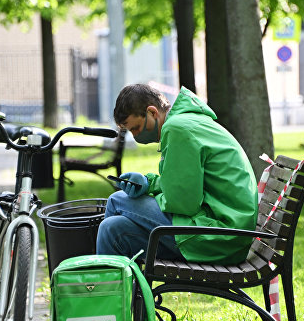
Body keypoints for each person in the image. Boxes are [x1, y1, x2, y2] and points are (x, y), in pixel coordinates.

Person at [96, 84, 258, 265]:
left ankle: (103, 285)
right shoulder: (186, 122)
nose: (135, 136)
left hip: (221, 234)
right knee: (111, 229)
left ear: (152, 112)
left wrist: (154, 196)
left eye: (137, 128)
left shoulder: (177, 129)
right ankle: (125, 291)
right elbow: (185, 185)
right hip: (224, 233)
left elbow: (183, 203)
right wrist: (149, 184)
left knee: (117, 199)